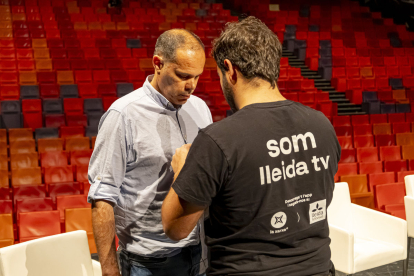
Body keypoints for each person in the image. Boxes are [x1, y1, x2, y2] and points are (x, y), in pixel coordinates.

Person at [162, 17, 341, 276]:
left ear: (229, 69)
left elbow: (175, 228)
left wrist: (182, 170)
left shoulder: (218, 140)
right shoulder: (322, 125)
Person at [88, 29, 212, 276]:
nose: (191, 86)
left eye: (197, 77)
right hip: (148, 262)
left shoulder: (200, 108)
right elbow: (102, 198)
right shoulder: (122, 116)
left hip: (200, 251)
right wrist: (109, 269)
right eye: (182, 75)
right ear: (158, 64)